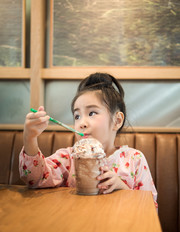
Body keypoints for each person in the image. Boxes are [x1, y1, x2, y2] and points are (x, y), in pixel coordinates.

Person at [19, 72, 157, 208]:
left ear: (117, 120)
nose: (81, 123)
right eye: (77, 116)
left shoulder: (134, 160)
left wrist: (123, 188)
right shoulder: (69, 157)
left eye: (92, 113)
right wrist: (30, 138)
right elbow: (35, 179)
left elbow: (150, 208)